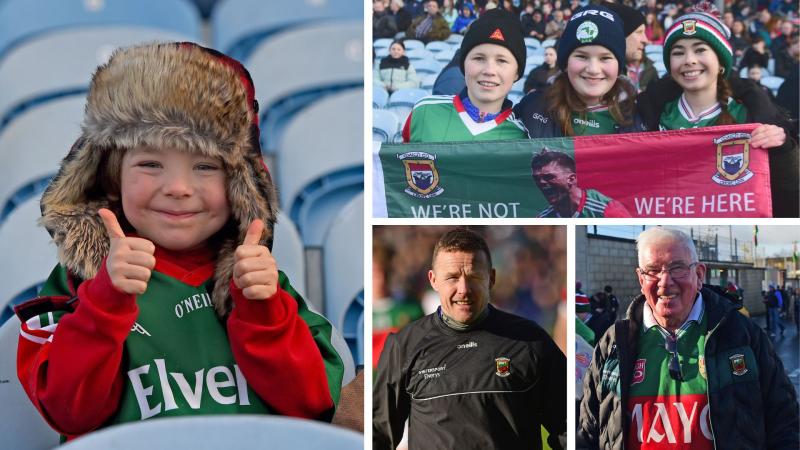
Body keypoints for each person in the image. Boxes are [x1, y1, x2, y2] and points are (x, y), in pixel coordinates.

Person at [14, 42, 347, 439]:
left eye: (206, 166)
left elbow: (313, 405)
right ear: (110, 177)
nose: (178, 188)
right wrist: (105, 302)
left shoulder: (261, 282)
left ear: (241, 185)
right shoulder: (78, 283)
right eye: (150, 164)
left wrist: (263, 312)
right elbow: (70, 413)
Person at [578, 227, 800, 449]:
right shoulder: (614, 342)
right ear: (640, 278)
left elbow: (785, 424)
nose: (665, 282)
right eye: (653, 270)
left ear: (700, 274)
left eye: (677, 268)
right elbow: (588, 434)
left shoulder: (742, 334)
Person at [373, 228, 566, 450]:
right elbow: (377, 435)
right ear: (434, 280)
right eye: (452, 277)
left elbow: (568, 427)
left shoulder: (530, 341)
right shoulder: (404, 346)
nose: (463, 289)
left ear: (491, 278)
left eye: (474, 276)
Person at [637, 5, 799, 218]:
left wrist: (782, 148)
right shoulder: (650, 114)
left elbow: (790, 193)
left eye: (700, 49)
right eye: (678, 53)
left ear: (721, 61)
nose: (689, 60)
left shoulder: (749, 115)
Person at [514, 4, 645, 137]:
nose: (593, 69)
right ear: (565, 63)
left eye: (605, 58)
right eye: (582, 56)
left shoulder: (642, 114)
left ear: (619, 66)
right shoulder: (532, 107)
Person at [402, 8, 528, 142]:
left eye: (501, 60)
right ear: (463, 65)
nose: (489, 70)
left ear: (517, 73)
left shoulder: (522, 136)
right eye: (479, 58)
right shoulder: (424, 112)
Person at [530, 149, 631, 218]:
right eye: (537, 178)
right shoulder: (543, 219)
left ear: (571, 179)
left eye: (549, 177)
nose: (541, 182)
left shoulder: (607, 210)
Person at [604, 1, 657, 93]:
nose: (645, 40)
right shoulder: (600, 81)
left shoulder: (650, 68)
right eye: (639, 32)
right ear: (620, 35)